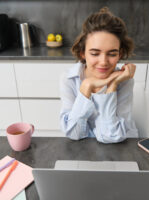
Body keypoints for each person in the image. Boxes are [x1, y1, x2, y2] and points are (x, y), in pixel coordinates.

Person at [60, 7, 138, 143]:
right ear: (82, 53)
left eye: (112, 54)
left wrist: (112, 86)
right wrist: (86, 87)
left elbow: (112, 136)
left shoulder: (124, 81)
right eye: (95, 53)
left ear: (120, 54)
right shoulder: (69, 79)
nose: (103, 62)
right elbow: (74, 133)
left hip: (120, 148)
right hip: (83, 149)